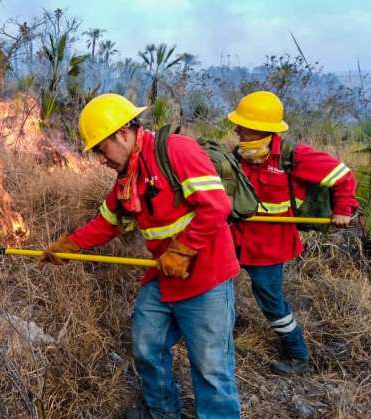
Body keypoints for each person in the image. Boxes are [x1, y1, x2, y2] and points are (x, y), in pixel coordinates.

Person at [41, 93, 241, 419]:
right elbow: (107, 223)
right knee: (148, 347)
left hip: (207, 278)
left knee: (210, 366)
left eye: (102, 149)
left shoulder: (177, 151)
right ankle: (163, 412)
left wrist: (183, 249)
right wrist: (70, 246)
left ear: (122, 133)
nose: (101, 159)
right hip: (163, 276)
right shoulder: (127, 176)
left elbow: (217, 206)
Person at [227, 91, 359, 375]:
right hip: (234, 238)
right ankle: (224, 333)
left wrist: (343, 210)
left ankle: (297, 354)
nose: (236, 130)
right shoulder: (238, 156)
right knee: (219, 287)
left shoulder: (293, 156)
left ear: (262, 129)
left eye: (243, 125)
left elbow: (344, 175)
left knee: (270, 299)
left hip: (270, 245)